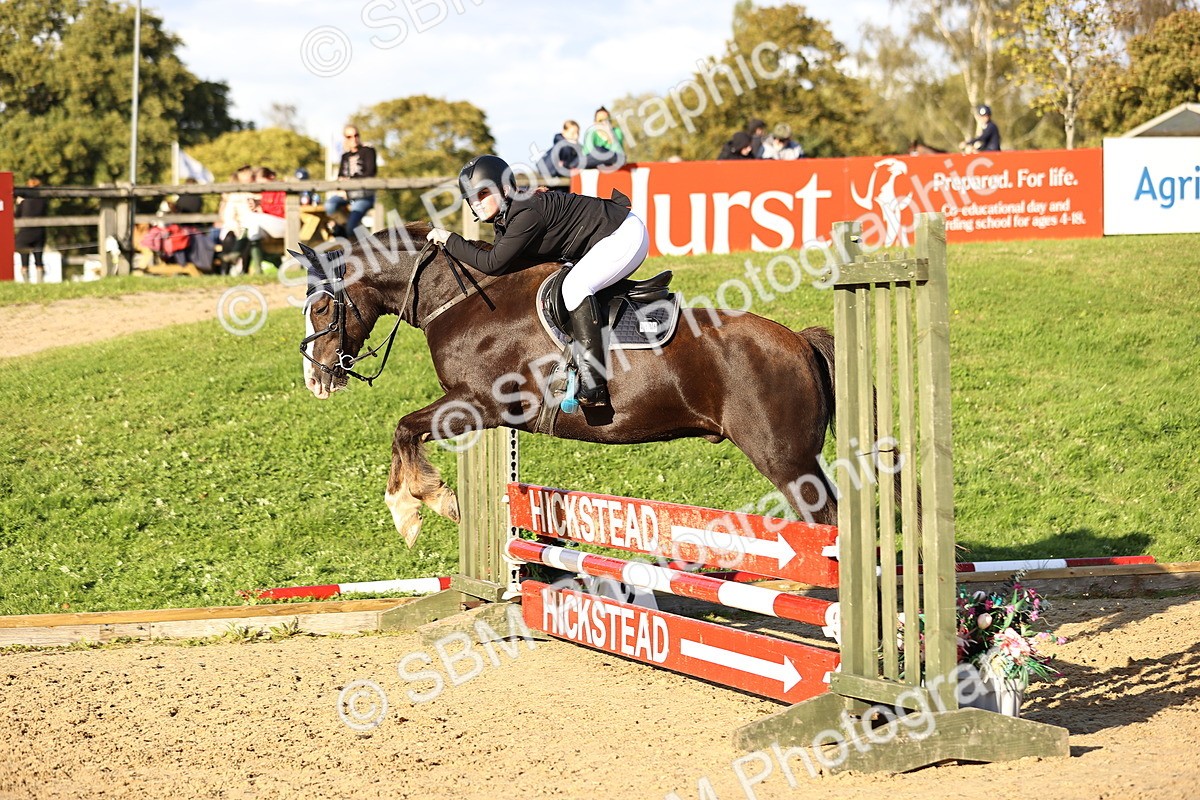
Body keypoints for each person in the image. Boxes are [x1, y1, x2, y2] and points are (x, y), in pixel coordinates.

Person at [425, 155, 649, 408]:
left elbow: (493, 264)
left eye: (483, 193)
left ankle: (593, 383)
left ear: (505, 188)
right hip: (605, 238)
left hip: (625, 236)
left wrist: (451, 240)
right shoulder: (508, 216)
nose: (476, 203)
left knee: (574, 287)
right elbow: (502, 265)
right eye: (471, 198)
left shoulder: (526, 212)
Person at [325, 125, 377, 236]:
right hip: (346, 195)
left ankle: (361, 238)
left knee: (351, 227)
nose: (353, 138)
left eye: (356, 135)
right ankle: (342, 230)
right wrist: (342, 188)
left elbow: (370, 173)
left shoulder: (368, 151)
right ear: (345, 138)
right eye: (349, 136)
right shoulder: (345, 156)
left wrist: (348, 181)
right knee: (330, 205)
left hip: (363, 195)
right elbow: (340, 176)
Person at [243, 167, 287, 274]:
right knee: (254, 229)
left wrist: (261, 205)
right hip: (272, 226)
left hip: (285, 225)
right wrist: (258, 204)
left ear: (271, 177)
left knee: (252, 218)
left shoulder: (282, 187)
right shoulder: (265, 192)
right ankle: (259, 270)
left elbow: (280, 210)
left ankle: (236, 252)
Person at [14, 177, 48, 283]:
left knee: (24, 261)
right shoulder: (43, 201)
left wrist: (18, 203)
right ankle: (40, 282)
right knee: (39, 260)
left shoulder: (24, 202)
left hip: (25, 233)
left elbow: (16, 216)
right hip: (39, 232)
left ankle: (26, 283)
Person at [537, 120, 582, 185]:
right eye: (573, 133)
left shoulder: (572, 147)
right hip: (549, 175)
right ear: (564, 132)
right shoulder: (563, 146)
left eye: (578, 133)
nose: (576, 136)